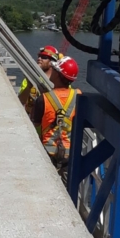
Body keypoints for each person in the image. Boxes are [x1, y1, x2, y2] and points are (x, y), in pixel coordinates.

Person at [32, 56, 81, 184]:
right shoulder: (79, 96)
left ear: (58, 74)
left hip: (48, 153)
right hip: (70, 154)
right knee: (68, 193)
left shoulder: (43, 99)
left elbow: (36, 126)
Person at [18, 45, 59, 115]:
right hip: (31, 121)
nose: (39, 59)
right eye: (39, 56)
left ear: (52, 62)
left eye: (44, 57)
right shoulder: (29, 79)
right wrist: (28, 86)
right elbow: (20, 101)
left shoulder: (59, 81)